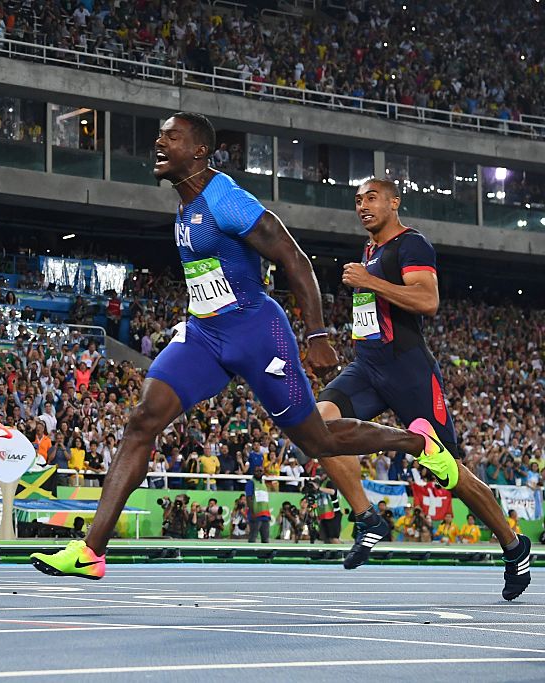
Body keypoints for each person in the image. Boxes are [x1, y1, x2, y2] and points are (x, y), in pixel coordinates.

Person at [31, 112, 452, 581]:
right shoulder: (186, 204)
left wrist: (316, 334)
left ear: (198, 152)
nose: (158, 142)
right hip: (205, 333)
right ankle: (91, 551)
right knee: (141, 420)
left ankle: (417, 441)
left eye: (171, 137)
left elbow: (293, 257)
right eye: (159, 135)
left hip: (256, 333)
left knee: (316, 441)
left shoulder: (226, 198)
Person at [317, 177, 531, 600]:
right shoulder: (372, 251)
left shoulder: (411, 244)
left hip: (408, 372)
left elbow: (427, 301)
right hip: (367, 368)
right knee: (317, 428)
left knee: (448, 472)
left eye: (372, 198)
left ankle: (512, 543)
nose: (363, 206)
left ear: (394, 202)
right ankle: (367, 517)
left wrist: (368, 282)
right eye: (358, 200)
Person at [245, 468, 271, 543]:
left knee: (266, 539)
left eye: (261, 471)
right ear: (253, 472)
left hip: (265, 515)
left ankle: (265, 554)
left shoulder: (263, 484)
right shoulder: (251, 483)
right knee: (253, 536)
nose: (259, 472)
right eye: (257, 471)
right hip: (256, 514)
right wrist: (252, 512)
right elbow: (249, 498)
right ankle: (250, 553)